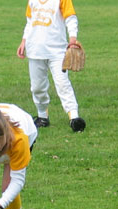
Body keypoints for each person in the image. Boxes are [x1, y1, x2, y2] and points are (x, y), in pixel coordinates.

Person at [16, 0, 86, 132]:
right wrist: (24, 40)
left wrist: (72, 38)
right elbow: (30, 21)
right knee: (37, 87)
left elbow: (70, 18)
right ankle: (42, 116)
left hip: (57, 51)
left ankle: (74, 117)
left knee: (62, 84)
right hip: (35, 50)